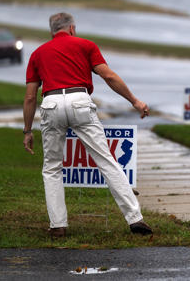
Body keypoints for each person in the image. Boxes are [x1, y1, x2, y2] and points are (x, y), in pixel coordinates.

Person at [22, 12, 152, 238]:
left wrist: (27, 130)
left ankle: (58, 226)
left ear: (52, 31)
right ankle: (135, 218)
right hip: (80, 100)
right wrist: (135, 101)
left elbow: (30, 97)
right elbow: (109, 77)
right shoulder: (86, 46)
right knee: (106, 160)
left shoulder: (38, 53)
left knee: (52, 167)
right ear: (72, 28)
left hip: (51, 103)